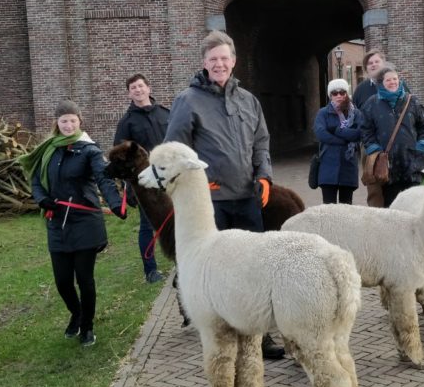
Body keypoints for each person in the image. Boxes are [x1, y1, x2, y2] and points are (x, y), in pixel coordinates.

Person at [164, 29, 285, 360]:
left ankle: (261, 336)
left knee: (254, 266)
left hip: (247, 196)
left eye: (224, 58)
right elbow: (175, 150)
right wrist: (198, 182)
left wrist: (264, 177)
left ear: (233, 61)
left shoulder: (249, 101)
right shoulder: (187, 101)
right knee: (217, 271)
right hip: (210, 204)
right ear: (204, 63)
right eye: (213, 59)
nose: (219, 64)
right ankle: (222, 332)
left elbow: (261, 142)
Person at [22, 100, 127, 348]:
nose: (68, 125)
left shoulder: (89, 150)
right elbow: (36, 180)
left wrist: (114, 203)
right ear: (57, 123)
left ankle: (87, 326)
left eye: (72, 120)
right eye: (63, 121)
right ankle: (76, 313)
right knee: (62, 281)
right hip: (57, 223)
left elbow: (103, 178)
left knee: (84, 279)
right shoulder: (47, 149)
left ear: (80, 121)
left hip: (84, 223)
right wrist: (42, 199)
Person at [113, 73, 170, 284]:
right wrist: (130, 186)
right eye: (133, 88)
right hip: (145, 184)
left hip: (170, 178)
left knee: (176, 221)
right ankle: (151, 271)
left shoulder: (166, 114)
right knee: (148, 226)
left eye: (140, 86)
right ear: (129, 94)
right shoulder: (126, 123)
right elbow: (120, 157)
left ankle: (180, 259)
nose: (137, 90)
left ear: (148, 88)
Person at [359, 63, 424, 207]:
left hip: (412, 162)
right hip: (387, 165)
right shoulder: (372, 103)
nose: (392, 82)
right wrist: (374, 149)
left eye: (395, 79)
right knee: (391, 205)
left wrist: (422, 145)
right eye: (388, 80)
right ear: (382, 82)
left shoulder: (412, 101)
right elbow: (365, 129)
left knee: (413, 204)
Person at [314, 78, 364, 204]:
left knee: (346, 207)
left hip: (348, 166)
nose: (339, 96)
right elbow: (321, 134)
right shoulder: (323, 113)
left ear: (347, 94)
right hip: (328, 166)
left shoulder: (356, 113)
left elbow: (359, 133)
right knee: (328, 208)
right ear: (330, 96)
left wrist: (336, 130)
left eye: (342, 92)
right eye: (335, 93)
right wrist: (344, 140)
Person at [354, 49, 387, 207]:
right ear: (366, 68)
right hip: (370, 145)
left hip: (392, 142)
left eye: (376, 61)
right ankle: (377, 217)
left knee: (395, 182)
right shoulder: (361, 89)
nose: (374, 65)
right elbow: (355, 115)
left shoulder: (395, 84)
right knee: (373, 186)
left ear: (383, 64)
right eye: (370, 63)